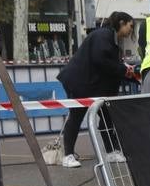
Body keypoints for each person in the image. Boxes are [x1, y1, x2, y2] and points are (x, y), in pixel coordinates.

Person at [56, 12, 136, 167]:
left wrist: (124, 70)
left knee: (107, 116)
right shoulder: (103, 36)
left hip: (94, 85)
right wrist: (123, 69)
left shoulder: (108, 37)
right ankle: (68, 155)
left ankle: (111, 152)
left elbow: (108, 64)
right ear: (121, 22)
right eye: (130, 26)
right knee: (76, 117)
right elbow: (101, 60)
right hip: (80, 82)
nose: (130, 31)